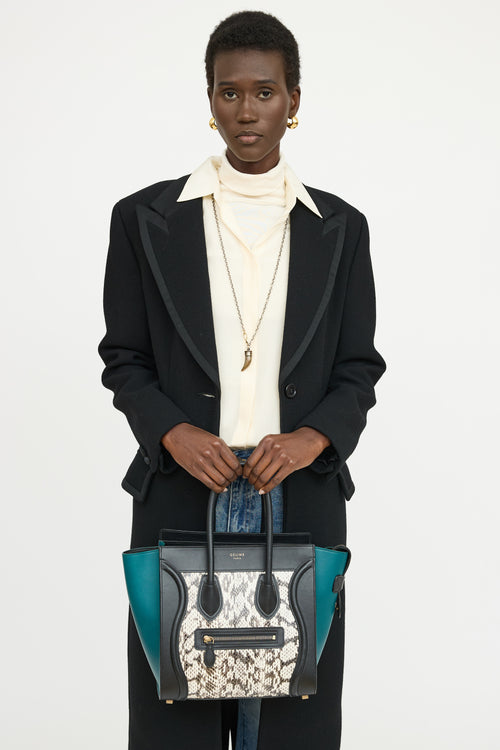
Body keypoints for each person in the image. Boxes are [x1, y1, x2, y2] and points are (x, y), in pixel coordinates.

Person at [98, 10, 386, 750]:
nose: (247, 111)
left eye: (265, 92)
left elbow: (358, 367)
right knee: (179, 715)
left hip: (300, 495)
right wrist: (172, 430)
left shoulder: (341, 229)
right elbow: (124, 357)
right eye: (230, 93)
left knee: (291, 719)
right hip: (182, 487)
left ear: (294, 100)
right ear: (210, 100)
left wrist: (313, 437)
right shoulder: (143, 220)